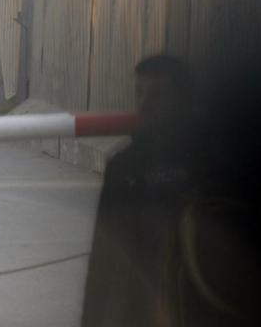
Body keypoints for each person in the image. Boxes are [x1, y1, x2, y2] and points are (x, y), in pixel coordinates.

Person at [81, 55, 198, 327]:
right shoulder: (123, 168)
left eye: (157, 95)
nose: (145, 104)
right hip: (141, 309)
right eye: (140, 92)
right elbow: (103, 260)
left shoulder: (207, 160)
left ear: (181, 100)